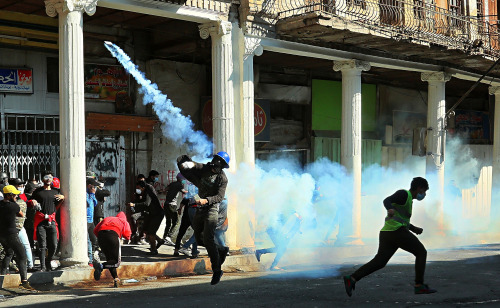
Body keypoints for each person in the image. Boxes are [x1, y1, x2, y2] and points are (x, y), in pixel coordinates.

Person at [343, 177, 436, 297]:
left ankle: (352, 278)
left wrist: (414, 229)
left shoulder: (408, 201)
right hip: (396, 232)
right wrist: (389, 208)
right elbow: (386, 200)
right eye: (424, 191)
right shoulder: (404, 194)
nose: (424, 194)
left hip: (388, 233)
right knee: (421, 252)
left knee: (380, 262)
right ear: (419, 188)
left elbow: (401, 219)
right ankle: (419, 286)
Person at [177, 151, 230, 285]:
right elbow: (198, 166)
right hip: (200, 208)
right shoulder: (206, 168)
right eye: (216, 159)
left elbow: (219, 197)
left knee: (208, 239)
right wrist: (190, 164)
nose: (216, 163)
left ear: (222, 166)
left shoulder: (222, 179)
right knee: (199, 239)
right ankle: (221, 250)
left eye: (219, 162)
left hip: (211, 209)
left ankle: (217, 270)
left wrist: (206, 200)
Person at [0, 185, 36, 291]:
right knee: (22, 256)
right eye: (15, 194)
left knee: (9, 252)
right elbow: (21, 214)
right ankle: (24, 282)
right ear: (9, 195)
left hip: (1, 235)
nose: (16, 196)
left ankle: (2, 274)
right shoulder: (13, 206)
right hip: (11, 234)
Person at [29, 170, 64, 272]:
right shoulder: (37, 191)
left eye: (50, 177)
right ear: (42, 179)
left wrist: (62, 198)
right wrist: (32, 201)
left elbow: (58, 205)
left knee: (53, 244)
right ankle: (43, 266)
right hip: (40, 221)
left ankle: (48, 261)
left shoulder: (56, 191)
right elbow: (29, 202)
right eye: (46, 177)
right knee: (42, 245)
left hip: (52, 220)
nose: (48, 179)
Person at [92, 212, 131, 288]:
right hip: (113, 236)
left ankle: (116, 278)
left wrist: (102, 238)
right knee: (116, 262)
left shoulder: (107, 218)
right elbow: (127, 235)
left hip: (101, 237)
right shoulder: (123, 221)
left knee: (110, 260)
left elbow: (95, 230)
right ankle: (100, 266)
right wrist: (127, 238)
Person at [130, 181, 164, 255]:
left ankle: (154, 250)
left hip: (157, 215)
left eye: (138, 188)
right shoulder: (145, 193)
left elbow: (146, 204)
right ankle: (160, 241)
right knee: (148, 231)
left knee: (151, 233)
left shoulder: (148, 193)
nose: (137, 190)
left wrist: (134, 205)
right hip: (152, 214)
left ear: (143, 187)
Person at [10, 178, 36, 272]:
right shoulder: (8, 198)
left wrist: (31, 202)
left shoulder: (23, 196)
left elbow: (26, 204)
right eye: (19, 185)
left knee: (26, 245)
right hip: (11, 227)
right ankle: (12, 266)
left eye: (22, 186)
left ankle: (30, 266)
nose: (21, 188)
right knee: (10, 249)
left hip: (21, 226)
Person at [174, 179, 199, 258]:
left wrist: (180, 210)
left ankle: (177, 250)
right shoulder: (196, 195)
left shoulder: (189, 195)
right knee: (196, 233)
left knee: (182, 233)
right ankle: (192, 251)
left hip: (186, 216)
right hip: (191, 216)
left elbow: (182, 203)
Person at [162, 173, 186, 246]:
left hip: (166, 204)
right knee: (177, 222)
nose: (184, 180)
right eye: (184, 179)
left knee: (168, 222)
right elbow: (184, 192)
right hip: (172, 205)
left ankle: (164, 238)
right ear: (181, 179)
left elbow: (165, 190)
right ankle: (169, 236)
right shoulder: (179, 185)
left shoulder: (172, 183)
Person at [86, 178, 100, 265]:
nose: (94, 188)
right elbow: (87, 204)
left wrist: (93, 194)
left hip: (91, 220)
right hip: (85, 220)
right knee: (88, 241)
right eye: (93, 186)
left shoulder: (91, 194)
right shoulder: (85, 194)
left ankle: (94, 256)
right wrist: (90, 194)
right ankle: (90, 259)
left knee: (94, 239)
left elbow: (95, 204)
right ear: (89, 186)